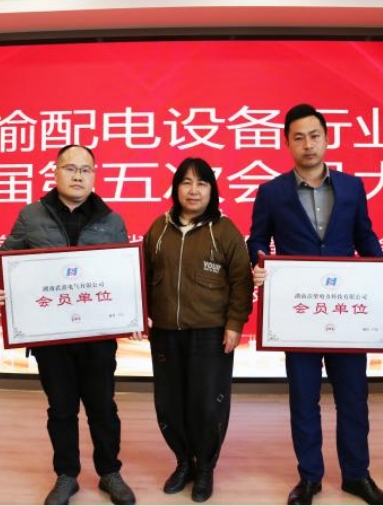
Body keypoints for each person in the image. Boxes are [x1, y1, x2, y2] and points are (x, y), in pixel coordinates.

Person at [247, 104, 383, 506]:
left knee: (353, 396)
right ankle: (309, 478)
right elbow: (257, 240)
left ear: (327, 138)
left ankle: (357, 475)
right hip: (299, 313)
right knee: (304, 399)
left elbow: (364, 237)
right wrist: (259, 264)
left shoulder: (352, 187)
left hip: (345, 312)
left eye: (314, 135)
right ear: (287, 143)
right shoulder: (271, 192)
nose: (308, 144)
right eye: (298, 137)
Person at [0, 144, 136, 506]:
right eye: (70, 168)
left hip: (97, 336)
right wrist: (3, 287)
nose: (77, 176)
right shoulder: (31, 215)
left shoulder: (112, 220)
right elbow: (6, 260)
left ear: (94, 176)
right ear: (55, 172)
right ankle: (66, 475)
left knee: (103, 407)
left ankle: (110, 472)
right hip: (50, 336)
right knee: (60, 408)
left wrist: (131, 311)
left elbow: (123, 274)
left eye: (85, 170)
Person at [142, 157, 254, 503]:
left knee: (206, 405)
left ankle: (205, 467)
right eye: (186, 182)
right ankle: (183, 463)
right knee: (170, 403)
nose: (193, 190)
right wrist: (139, 316)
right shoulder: (158, 229)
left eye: (201, 183)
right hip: (166, 332)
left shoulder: (225, 230)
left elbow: (241, 282)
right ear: (176, 188)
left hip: (210, 333)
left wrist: (234, 324)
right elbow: (141, 276)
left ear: (212, 190)